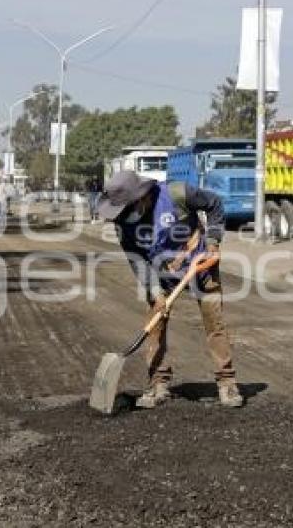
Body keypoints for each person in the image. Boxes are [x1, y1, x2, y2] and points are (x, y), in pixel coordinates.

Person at [97, 170, 243, 409]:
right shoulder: (122, 222)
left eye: (125, 208)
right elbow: (136, 259)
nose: (121, 215)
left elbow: (215, 204)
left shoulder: (177, 193)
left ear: (140, 198)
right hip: (160, 272)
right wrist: (155, 291)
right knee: (155, 323)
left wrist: (213, 242)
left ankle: (227, 383)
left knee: (214, 323)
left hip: (200, 264)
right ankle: (158, 383)